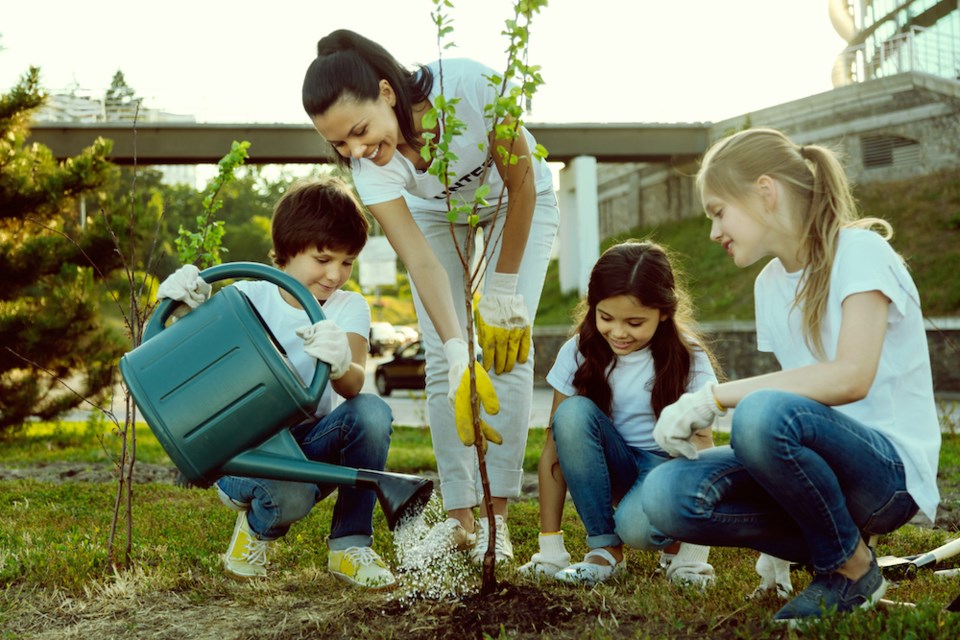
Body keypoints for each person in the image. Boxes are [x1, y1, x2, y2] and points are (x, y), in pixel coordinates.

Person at [635, 128, 941, 623]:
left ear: (765, 191)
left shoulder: (860, 251)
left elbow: (850, 378)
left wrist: (712, 398)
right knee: (665, 495)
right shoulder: (769, 285)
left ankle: (849, 570)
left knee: (757, 412)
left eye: (718, 211)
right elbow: (796, 398)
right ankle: (835, 550)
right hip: (823, 467)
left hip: (887, 476)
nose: (714, 231)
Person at [301, 29, 559, 563]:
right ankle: (462, 519)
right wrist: (460, 347)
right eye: (339, 145)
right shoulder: (369, 166)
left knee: (509, 347)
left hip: (517, 203)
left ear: (387, 94)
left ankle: (496, 521)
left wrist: (503, 292)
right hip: (435, 217)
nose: (356, 151)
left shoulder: (472, 86)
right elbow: (420, 261)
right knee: (446, 358)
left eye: (359, 131)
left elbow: (523, 187)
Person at [157, 176, 397, 589]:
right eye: (323, 259)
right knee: (290, 495)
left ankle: (350, 546)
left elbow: (354, 384)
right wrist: (181, 309)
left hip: (307, 446)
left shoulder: (347, 307)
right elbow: (184, 365)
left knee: (372, 412)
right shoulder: (248, 296)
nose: (335, 274)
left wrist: (340, 363)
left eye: (346, 262)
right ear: (287, 251)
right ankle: (255, 528)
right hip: (245, 450)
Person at [519, 240, 721, 586]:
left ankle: (674, 543)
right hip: (615, 467)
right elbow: (554, 448)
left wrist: (694, 558)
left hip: (668, 474)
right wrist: (549, 549)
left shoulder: (690, 358)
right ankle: (604, 550)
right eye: (606, 317)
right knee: (570, 415)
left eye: (634, 322)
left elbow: (703, 451)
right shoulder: (578, 352)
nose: (618, 332)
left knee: (635, 527)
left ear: (664, 312)